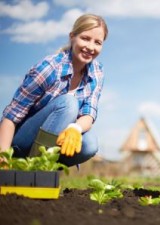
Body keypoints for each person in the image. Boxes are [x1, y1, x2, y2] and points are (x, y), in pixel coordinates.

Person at [0, 14, 108, 167]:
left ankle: (46, 168)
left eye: (97, 42)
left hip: (52, 143)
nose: (90, 47)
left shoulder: (96, 72)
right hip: (21, 143)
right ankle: (33, 168)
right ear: (72, 37)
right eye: (85, 38)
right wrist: (3, 159)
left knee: (89, 144)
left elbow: (88, 114)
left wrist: (75, 128)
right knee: (68, 103)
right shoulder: (49, 69)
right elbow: (10, 117)